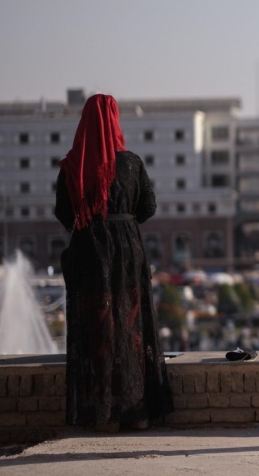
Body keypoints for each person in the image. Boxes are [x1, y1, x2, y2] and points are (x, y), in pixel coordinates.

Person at [55, 94, 173, 432]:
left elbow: (65, 214)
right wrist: (121, 219)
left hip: (90, 253)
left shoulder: (73, 165)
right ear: (115, 120)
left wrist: (94, 218)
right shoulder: (132, 163)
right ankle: (136, 413)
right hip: (127, 252)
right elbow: (148, 208)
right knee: (131, 329)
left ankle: (101, 414)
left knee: (97, 330)